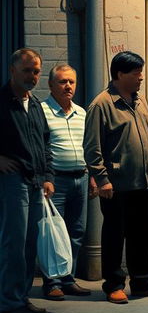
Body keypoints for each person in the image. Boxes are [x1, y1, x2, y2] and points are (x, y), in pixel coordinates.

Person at [84, 51, 148, 304]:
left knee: (143, 234)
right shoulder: (102, 105)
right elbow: (92, 147)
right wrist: (102, 179)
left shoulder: (140, 101)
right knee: (114, 236)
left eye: (140, 72)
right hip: (116, 186)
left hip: (143, 183)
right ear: (120, 74)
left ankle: (143, 283)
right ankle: (113, 285)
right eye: (136, 73)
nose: (141, 77)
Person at [0, 48, 54, 313]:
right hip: (12, 182)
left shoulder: (35, 105)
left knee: (30, 243)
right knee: (14, 244)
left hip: (35, 182)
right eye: (26, 71)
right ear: (12, 70)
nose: (32, 76)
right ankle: (9, 301)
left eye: (36, 71)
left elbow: (45, 143)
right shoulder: (2, 100)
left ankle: (21, 297)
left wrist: (48, 177)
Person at [40, 65, 96, 300]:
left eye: (72, 82)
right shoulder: (41, 111)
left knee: (76, 231)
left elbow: (90, 148)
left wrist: (92, 176)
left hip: (80, 178)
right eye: (63, 82)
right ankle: (51, 282)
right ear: (51, 85)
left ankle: (68, 279)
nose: (68, 86)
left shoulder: (82, 113)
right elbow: (41, 148)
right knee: (54, 233)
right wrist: (45, 178)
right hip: (56, 182)